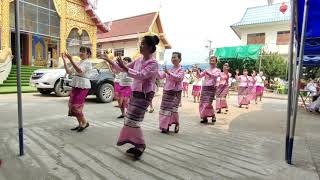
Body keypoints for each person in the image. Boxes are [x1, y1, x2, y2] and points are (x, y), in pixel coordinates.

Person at [102, 35, 159, 159]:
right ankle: (136, 143)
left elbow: (140, 75)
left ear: (150, 47)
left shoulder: (153, 63)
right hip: (135, 93)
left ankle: (140, 144)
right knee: (129, 119)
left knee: (133, 120)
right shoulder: (139, 60)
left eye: (143, 44)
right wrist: (109, 60)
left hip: (145, 95)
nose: (140, 46)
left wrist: (125, 68)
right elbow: (121, 69)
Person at [62, 47, 92, 132]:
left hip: (83, 86)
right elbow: (69, 72)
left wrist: (71, 60)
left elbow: (79, 71)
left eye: (83, 51)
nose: (81, 53)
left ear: (88, 54)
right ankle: (80, 124)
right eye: (80, 51)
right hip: (76, 84)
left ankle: (85, 122)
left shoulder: (88, 63)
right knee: (71, 105)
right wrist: (65, 61)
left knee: (76, 106)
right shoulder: (79, 62)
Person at [158, 52, 184, 133]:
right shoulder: (170, 69)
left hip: (175, 92)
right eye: (172, 57)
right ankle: (165, 126)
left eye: (175, 57)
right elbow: (161, 76)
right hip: (167, 91)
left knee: (173, 110)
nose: (173, 59)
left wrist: (168, 73)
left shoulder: (181, 69)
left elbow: (179, 78)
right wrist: (155, 70)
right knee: (164, 109)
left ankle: (176, 123)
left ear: (179, 59)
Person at [197, 56, 221, 123]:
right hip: (205, 87)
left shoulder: (218, 70)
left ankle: (212, 115)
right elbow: (199, 76)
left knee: (208, 103)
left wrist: (208, 73)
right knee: (202, 103)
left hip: (211, 88)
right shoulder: (206, 69)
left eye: (213, 60)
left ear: (216, 62)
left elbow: (215, 76)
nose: (212, 62)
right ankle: (204, 117)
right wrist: (197, 71)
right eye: (211, 60)